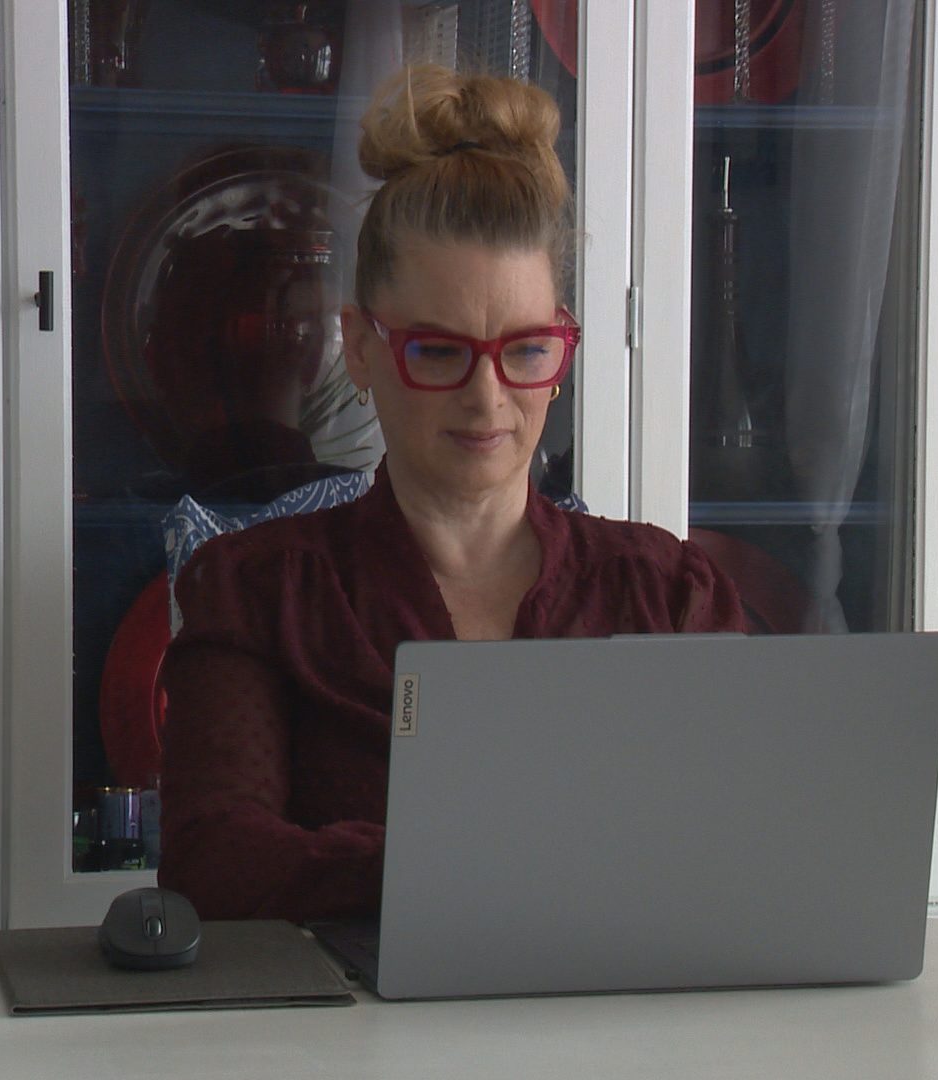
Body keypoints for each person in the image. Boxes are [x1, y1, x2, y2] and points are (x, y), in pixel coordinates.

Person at [157, 65, 748, 922]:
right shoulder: (255, 593)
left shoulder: (666, 593)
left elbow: (744, 839)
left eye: (527, 350)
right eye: (438, 352)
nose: (486, 397)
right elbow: (214, 858)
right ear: (361, 349)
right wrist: (494, 863)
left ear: (562, 353)